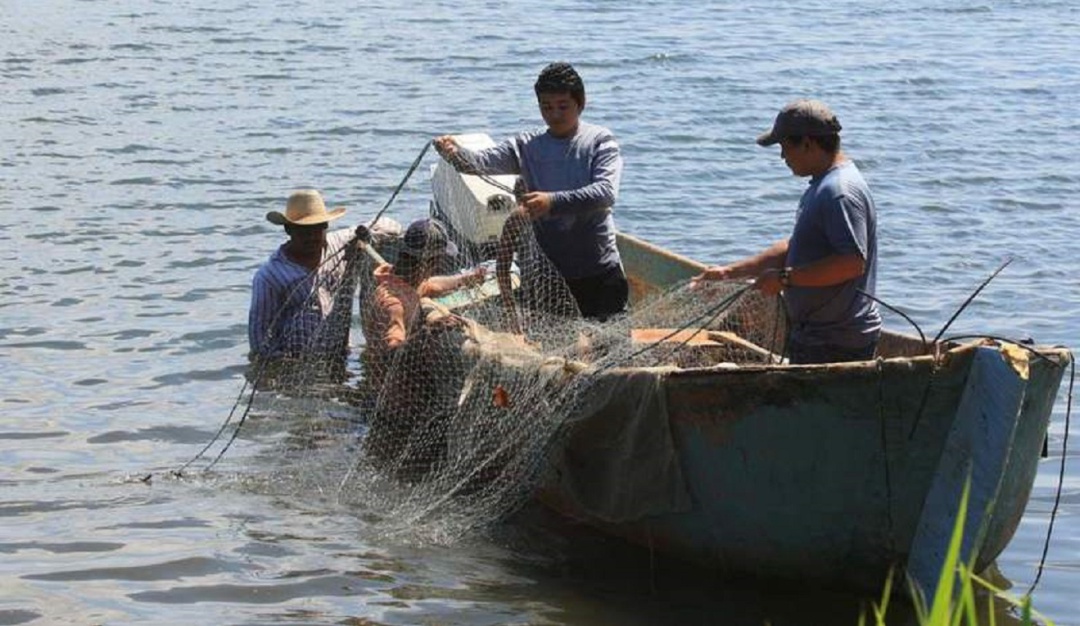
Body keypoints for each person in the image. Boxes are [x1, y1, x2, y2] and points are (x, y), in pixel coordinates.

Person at [433, 61, 628, 322]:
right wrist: (454, 154)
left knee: (609, 345)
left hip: (598, 270)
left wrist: (552, 201)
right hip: (548, 275)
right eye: (546, 107)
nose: (555, 115)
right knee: (558, 351)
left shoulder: (599, 141)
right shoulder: (526, 145)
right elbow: (480, 163)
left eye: (563, 106)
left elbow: (604, 193)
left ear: (580, 103)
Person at [693, 99, 881, 364]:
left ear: (807, 143)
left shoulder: (838, 192)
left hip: (836, 342)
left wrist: (785, 279)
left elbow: (851, 263)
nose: (783, 157)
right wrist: (729, 272)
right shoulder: (822, 185)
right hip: (817, 336)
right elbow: (795, 248)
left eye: (784, 146)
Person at [248, 189, 360, 368]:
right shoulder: (269, 277)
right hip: (296, 364)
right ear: (288, 230)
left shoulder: (337, 244)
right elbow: (259, 339)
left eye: (318, 229)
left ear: (326, 227)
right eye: (304, 231)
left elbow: (384, 225)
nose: (312, 237)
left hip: (340, 354)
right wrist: (282, 367)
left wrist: (367, 236)